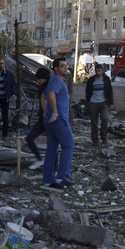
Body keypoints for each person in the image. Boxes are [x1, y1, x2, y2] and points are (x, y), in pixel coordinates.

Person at [43, 57, 74, 188]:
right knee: (69, 146)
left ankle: (48, 180)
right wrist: (55, 112)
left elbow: (43, 96)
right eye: (63, 66)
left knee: (52, 149)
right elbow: (50, 94)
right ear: (56, 68)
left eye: (66, 66)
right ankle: (61, 177)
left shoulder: (56, 80)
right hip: (59, 120)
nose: (65, 68)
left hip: (52, 120)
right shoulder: (56, 80)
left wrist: (46, 113)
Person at [24, 67, 51, 170]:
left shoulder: (50, 87)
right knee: (29, 138)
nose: (37, 81)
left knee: (52, 144)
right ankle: (40, 159)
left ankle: (53, 167)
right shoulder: (41, 88)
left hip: (49, 119)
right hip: (42, 119)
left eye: (39, 79)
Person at [85, 63, 114, 145]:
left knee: (105, 118)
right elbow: (87, 91)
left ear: (102, 71)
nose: (98, 73)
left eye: (99, 71)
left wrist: (111, 103)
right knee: (94, 122)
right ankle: (95, 140)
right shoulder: (91, 80)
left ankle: (103, 136)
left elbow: (110, 91)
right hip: (93, 102)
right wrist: (88, 102)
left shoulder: (106, 79)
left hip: (103, 102)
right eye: (96, 71)